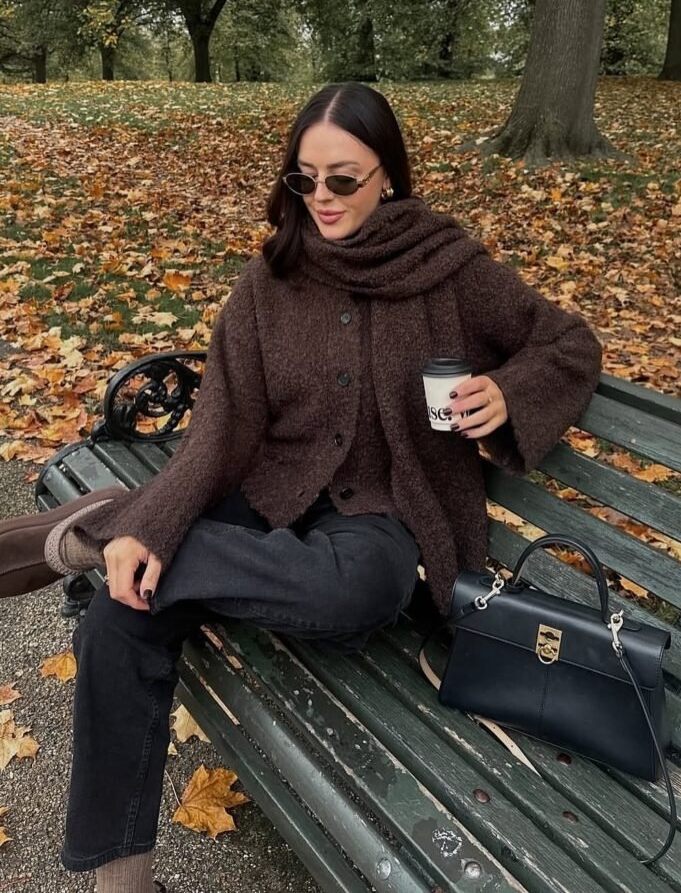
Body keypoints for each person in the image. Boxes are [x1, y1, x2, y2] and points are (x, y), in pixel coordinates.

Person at [0, 81, 602, 891]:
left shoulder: (448, 271)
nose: (321, 197)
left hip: (378, 508)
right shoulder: (270, 280)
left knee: (358, 590)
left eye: (343, 179)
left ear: (388, 175)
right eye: (304, 178)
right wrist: (162, 519)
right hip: (265, 489)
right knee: (120, 611)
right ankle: (123, 886)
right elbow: (221, 426)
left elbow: (567, 343)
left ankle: (105, 528)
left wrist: (507, 392)